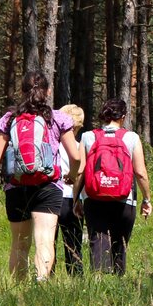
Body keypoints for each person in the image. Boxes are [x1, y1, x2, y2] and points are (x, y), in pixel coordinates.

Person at [0, 72, 83, 282]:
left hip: (16, 186)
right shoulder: (58, 118)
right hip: (48, 186)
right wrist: (71, 174)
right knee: (45, 239)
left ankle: (18, 291)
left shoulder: (10, 118)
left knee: (19, 243)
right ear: (48, 92)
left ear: (22, 92)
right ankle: (40, 283)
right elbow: (75, 156)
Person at [76, 99, 152, 275]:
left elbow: (80, 172)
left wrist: (77, 199)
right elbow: (140, 173)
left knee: (98, 241)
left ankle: (98, 284)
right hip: (124, 199)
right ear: (123, 117)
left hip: (93, 197)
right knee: (120, 244)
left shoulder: (88, 136)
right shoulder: (131, 137)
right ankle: (118, 285)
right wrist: (146, 199)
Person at [56, 104, 86, 276]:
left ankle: (46, 277)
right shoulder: (78, 147)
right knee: (74, 245)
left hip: (52, 197)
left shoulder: (54, 145)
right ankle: (76, 279)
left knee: (48, 243)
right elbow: (81, 176)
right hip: (73, 199)